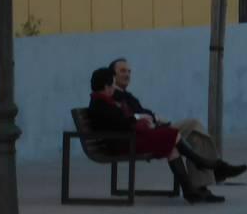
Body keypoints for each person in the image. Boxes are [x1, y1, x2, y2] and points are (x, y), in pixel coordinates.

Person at [85, 67, 223, 204]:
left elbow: (121, 121)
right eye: (111, 85)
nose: (113, 89)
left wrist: (139, 119)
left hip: (126, 139)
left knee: (171, 147)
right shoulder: (100, 104)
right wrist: (138, 120)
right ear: (105, 86)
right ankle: (199, 162)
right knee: (170, 134)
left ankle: (189, 190)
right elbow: (120, 123)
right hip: (122, 143)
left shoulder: (103, 101)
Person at [110, 57, 246, 191]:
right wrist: (151, 118)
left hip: (154, 130)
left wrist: (153, 117)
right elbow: (129, 118)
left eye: (129, 71)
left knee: (196, 135)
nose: (127, 75)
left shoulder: (125, 94)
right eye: (123, 71)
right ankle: (218, 168)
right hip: (147, 135)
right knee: (193, 125)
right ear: (113, 75)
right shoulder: (115, 95)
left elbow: (141, 112)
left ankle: (204, 183)